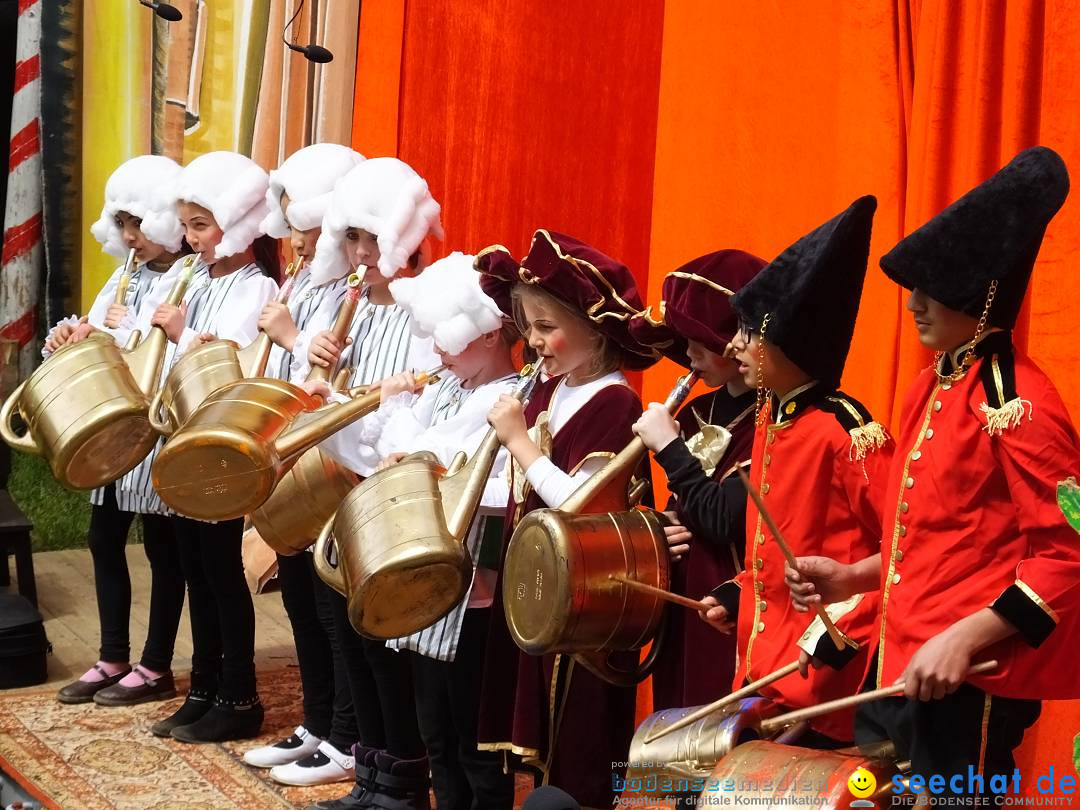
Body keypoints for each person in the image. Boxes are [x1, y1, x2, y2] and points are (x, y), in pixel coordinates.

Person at [786, 147, 1080, 789]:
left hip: (963, 679)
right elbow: (923, 544)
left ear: (983, 295)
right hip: (896, 666)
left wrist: (966, 639)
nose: (914, 303)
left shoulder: (1016, 402)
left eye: (933, 289)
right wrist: (850, 578)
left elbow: (1065, 557)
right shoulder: (927, 388)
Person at [317, 252, 519, 809]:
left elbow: (450, 462)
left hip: (473, 588)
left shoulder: (508, 396)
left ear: (489, 334)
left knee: (472, 737)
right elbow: (386, 450)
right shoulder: (447, 385)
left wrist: (408, 434)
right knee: (435, 730)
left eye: (447, 339)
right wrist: (390, 407)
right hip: (427, 582)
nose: (438, 352)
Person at [475, 229, 659, 808]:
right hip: (541, 585)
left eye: (547, 327)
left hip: (589, 603)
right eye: (528, 327)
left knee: (579, 739)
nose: (534, 343)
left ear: (595, 327)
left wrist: (519, 443)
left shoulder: (616, 401)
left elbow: (578, 503)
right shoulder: (552, 390)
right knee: (538, 738)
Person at [699, 197, 891, 746]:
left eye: (749, 333)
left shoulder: (848, 431)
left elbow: (901, 556)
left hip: (824, 682)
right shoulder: (768, 415)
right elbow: (774, 547)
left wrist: (837, 640)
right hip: (764, 673)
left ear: (791, 339)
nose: (733, 345)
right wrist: (739, 592)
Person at [302, 157, 441, 810]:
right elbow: (320, 403)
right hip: (338, 489)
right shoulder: (344, 305)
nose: (361, 254)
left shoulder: (426, 314)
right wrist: (318, 369)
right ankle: (371, 774)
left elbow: (415, 413)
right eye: (351, 239)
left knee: (383, 639)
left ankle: (405, 780)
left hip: (387, 497)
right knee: (347, 634)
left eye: (371, 239)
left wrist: (355, 403)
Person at [240, 144, 367, 787]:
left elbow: (331, 377)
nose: (296, 243)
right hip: (299, 454)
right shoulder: (311, 281)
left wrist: (291, 339)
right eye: (292, 229)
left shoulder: (351, 289)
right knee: (298, 594)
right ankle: (320, 721)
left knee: (329, 603)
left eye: (307, 230)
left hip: (339, 467)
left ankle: (345, 734)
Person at [142, 150, 279, 743]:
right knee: (194, 566)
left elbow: (237, 367)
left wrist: (182, 333)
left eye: (201, 225)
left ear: (240, 226)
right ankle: (202, 686)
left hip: (220, 450)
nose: (190, 239)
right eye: (188, 226)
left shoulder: (259, 287)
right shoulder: (193, 277)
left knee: (222, 569)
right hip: (181, 440)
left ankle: (239, 694)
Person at [53, 155, 189, 708]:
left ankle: (156, 664)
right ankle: (112, 655)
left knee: (163, 548)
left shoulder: (186, 275)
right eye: (123, 225)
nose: (130, 237)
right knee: (103, 538)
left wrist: (129, 332)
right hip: (116, 426)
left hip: (157, 424)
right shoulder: (123, 273)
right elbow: (102, 330)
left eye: (140, 224)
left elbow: (173, 349)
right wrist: (79, 335)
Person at [627, 249, 765, 709]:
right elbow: (684, 503)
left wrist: (669, 449)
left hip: (730, 608)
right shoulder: (698, 410)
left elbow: (726, 518)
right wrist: (664, 526)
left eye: (700, 342)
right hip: (683, 602)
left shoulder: (767, 418)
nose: (689, 355)